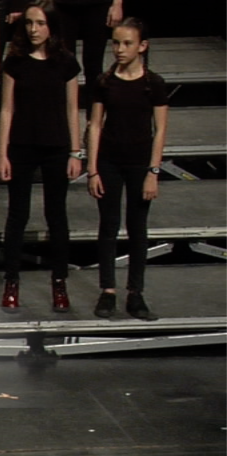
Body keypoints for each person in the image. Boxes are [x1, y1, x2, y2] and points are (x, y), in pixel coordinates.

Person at [0, 0, 82, 313]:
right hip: (21, 146)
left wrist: (75, 152)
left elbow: (72, 109)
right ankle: (11, 282)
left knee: (56, 216)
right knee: (17, 216)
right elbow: (7, 109)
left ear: (51, 27)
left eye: (40, 23)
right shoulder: (15, 61)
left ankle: (59, 283)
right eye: (30, 23)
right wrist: (2, 153)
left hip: (56, 146)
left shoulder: (66, 62)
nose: (34, 29)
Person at [87, 18, 167, 321]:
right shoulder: (105, 81)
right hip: (109, 161)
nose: (120, 49)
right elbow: (95, 125)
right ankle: (107, 290)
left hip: (139, 163)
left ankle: (135, 293)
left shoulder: (153, 83)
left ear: (142, 46)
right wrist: (92, 169)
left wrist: (153, 171)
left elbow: (160, 130)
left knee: (137, 227)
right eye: (116, 43)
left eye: (127, 43)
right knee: (108, 226)